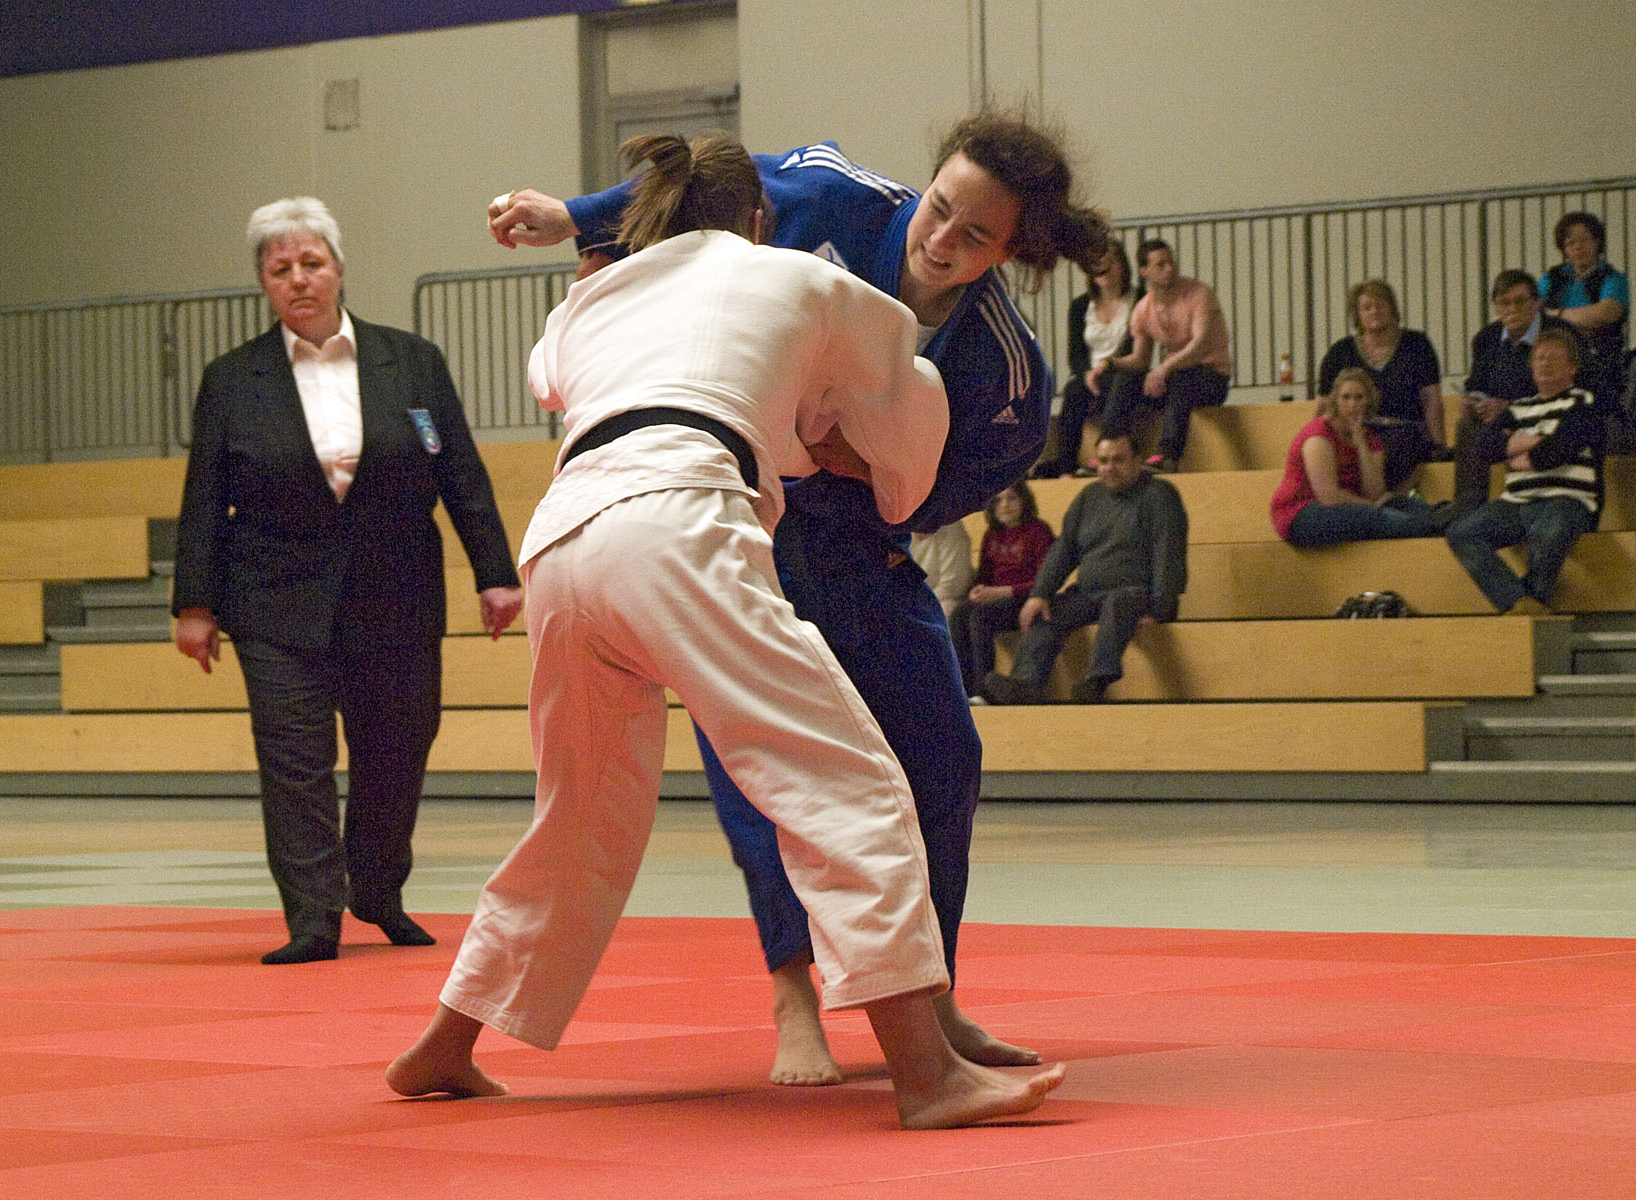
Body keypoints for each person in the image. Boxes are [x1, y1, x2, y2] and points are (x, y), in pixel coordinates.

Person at [388, 133, 1065, 1130]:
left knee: (579, 817)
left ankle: (446, 1043)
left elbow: (553, 380)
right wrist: (848, 446)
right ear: (757, 220)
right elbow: (910, 443)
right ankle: (927, 1075)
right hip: (678, 521)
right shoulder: (796, 277)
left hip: (565, 543)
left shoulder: (591, 299)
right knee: (848, 781)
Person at [171, 198, 523, 965]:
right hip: (273, 598)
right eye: (281, 269)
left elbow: (458, 470)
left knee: (396, 748)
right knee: (293, 760)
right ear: (264, 283)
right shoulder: (232, 378)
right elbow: (203, 495)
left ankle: (378, 887)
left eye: (312, 264)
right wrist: (194, 603)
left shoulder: (412, 360)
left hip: (395, 590)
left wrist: (495, 574)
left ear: (338, 269)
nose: (299, 279)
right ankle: (312, 916)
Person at [980, 426, 1186, 704]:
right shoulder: (1088, 498)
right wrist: (1039, 594)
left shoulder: (1161, 495)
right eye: (1102, 461)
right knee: (1046, 614)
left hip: (1136, 593)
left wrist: (1163, 607)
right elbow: (1064, 550)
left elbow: (1168, 552)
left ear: (1139, 460)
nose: (1109, 467)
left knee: (1119, 602)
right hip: (1088, 593)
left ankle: (1096, 682)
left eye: (1118, 460)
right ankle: (1025, 685)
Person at [1445, 327, 1604, 615]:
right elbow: (1486, 448)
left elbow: (1557, 450)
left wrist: (1516, 453)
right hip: (1516, 503)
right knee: (1462, 532)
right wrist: (1538, 442)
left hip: (1566, 500)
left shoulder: (1583, 402)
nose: (1543, 364)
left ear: (1572, 367)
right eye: (1539, 358)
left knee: (1548, 534)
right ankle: (1520, 601)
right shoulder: (1518, 408)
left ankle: (1529, 606)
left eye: (1553, 359)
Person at [1092, 238, 1231, 473]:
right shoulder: (1143, 308)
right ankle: (1111, 450)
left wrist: (1164, 369)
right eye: (1160, 264)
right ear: (1144, 271)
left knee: (1183, 378)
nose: (1170, 268)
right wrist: (1109, 363)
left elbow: (1200, 343)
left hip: (1212, 377)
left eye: (1171, 261)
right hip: (1175, 378)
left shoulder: (1199, 294)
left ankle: (1167, 455)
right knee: (1125, 380)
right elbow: (1140, 360)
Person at [1447, 269, 1574, 516]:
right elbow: (1477, 384)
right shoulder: (1485, 339)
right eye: (1504, 303)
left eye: (1519, 301)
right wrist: (1473, 401)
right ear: (1496, 307)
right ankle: (1467, 505)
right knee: (1467, 424)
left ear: (1536, 303)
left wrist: (1509, 406)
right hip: (1503, 420)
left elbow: (1569, 386)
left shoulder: (1560, 334)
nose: (1512, 309)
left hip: (1550, 416)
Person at [1270, 368, 1436, 547]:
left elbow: (1374, 493)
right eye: (1346, 397)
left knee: (1402, 504)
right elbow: (1329, 496)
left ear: (1368, 401)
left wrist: (1361, 445)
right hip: (1302, 511)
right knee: (1371, 516)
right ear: (1336, 401)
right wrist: (1371, 505)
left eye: (1359, 397)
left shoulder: (1371, 438)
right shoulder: (1319, 434)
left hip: (1349, 506)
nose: (1352, 404)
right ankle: (1428, 527)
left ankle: (1440, 518)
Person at [1315, 279, 1445, 491]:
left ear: (1392, 309)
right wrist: (1314, 441)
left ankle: (1382, 500)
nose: (1374, 311)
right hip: (1355, 432)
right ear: (1357, 314)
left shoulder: (1417, 344)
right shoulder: (1340, 351)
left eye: (1381, 305)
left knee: (1388, 449)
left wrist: (1439, 447)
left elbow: (1432, 400)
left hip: (1405, 433)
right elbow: (1323, 406)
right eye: (1367, 307)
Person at [1031, 236, 1136, 476]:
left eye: (1110, 262)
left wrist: (1106, 368)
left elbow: (1135, 347)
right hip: (1091, 375)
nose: (1103, 269)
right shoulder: (1080, 306)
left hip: (1125, 371)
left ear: (1122, 265)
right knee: (1073, 391)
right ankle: (1066, 466)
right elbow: (1075, 353)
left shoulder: (1139, 298)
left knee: (1120, 386)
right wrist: (1086, 373)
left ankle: (1105, 455)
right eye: (1097, 263)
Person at [949, 480, 1055, 698]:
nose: (1004, 505)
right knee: (959, 614)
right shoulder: (991, 535)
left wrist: (1001, 592)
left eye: (1012, 498)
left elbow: (1044, 581)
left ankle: (983, 691)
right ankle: (961, 691)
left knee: (980, 617)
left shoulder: (1039, 531)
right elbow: (984, 576)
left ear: (1025, 501)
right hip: (995, 599)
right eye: (998, 500)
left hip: (1024, 600)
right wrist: (977, 591)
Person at [1539, 211, 1628, 403]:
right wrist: (1583, 318)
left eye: (1585, 240)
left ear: (1597, 242)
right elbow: (1535, 310)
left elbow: (1607, 312)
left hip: (1599, 357)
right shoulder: (1553, 277)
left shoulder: (1612, 277)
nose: (1578, 247)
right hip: (1555, 353)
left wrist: (1557, 314)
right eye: (1571, 242)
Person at [909, 521, 973, 619]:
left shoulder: (952, 529)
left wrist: (919, 605)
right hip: (911, 601)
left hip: (944, 599)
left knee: (944, 610)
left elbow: (953, 583)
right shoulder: (900, 534)